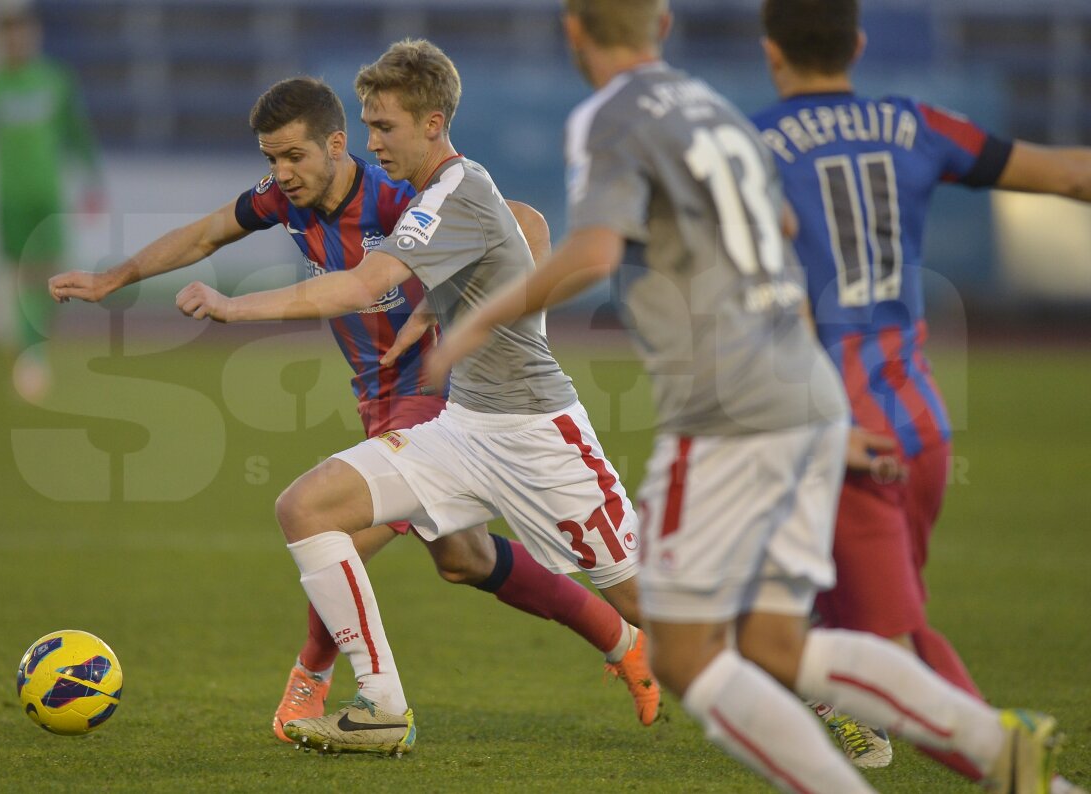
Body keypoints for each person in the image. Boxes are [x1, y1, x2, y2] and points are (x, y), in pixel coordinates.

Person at [428, 1, 1072, 791]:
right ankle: (996, 742)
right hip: (801, 390)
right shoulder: (715, 111)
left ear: (573, 31)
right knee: (775, 643)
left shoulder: (611, 115)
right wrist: (819, 410)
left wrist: (476, 321)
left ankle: (977, 738)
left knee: (682, 651)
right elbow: (781, 243)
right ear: (664, 26)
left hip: (726, 410)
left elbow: (593, 252)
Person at [48, 75, 658, 747]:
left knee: (331, 523)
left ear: (336, 146)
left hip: (437, 396)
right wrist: (115, 278)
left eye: (294, 157)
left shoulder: (396, 199)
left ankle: (318, 679)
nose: (282, 173)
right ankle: (621, 638)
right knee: (462, 558)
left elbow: (526, 225)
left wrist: (477, 313)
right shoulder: (285, 200)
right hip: (377, 397)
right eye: (272, 159)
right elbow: (206, 235)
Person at [751, 0, 1091, 782]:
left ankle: (1023, 772)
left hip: (841, 431)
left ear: (772, 52)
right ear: (857, 44)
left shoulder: (753, 149)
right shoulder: (915, 123)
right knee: (842, 610)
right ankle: (852, 708)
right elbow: (1071, 172)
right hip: (920, 420)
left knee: (893, 651)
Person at [0, 1, 102, 402]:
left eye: (22, 34)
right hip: (10, 199)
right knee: (23, 278)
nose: (17, 42)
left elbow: (78, 134)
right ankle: (31, 356)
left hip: (48, 196)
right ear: (0, 41)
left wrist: (93, 183)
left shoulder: (55, 81)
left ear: (34, 37)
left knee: (52, 275)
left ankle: (32, 348)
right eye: (9, 36)